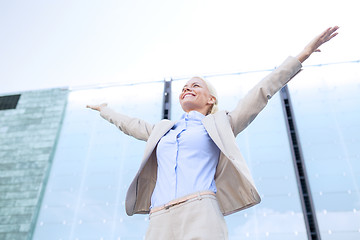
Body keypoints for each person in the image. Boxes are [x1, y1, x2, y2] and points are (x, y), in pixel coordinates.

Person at [87, 26, 339, 240]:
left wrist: (302, 55)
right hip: (159, 217)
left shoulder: (222, 124)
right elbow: (129, 124)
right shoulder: (162, 131)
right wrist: (105, 110)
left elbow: (262, 92)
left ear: (211, 99)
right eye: (184, 86)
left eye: (195, 85)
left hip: (201, 211)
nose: (187, 88)